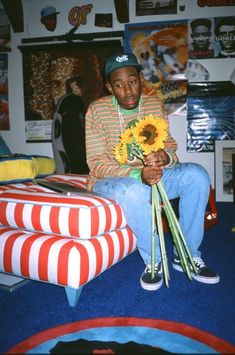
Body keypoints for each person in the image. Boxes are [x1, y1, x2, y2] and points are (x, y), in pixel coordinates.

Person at [85, 52, 220, 291]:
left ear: (141, 80)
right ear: (109, 87)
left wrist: (163, 157)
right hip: (112, 180)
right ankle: (155, 261)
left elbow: (170, 147)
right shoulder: (96, 111)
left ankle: (186, 254)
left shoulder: (153, 104)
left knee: (197, 175)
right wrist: (138, 174)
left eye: (132, 82)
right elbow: (96, 163)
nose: (128, 91)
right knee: (134, 188)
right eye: (119, 85)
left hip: (154, 175)